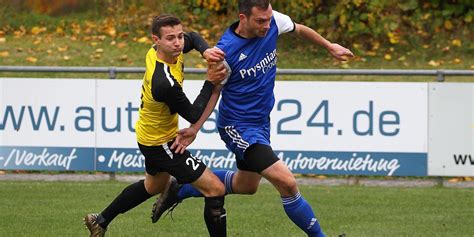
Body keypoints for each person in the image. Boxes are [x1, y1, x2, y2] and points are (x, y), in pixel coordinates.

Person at [152, 1, 354, 237]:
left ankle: (181, 189)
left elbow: (298, 28)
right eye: (260, 21)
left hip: (261, 123)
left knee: (246, 186)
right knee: (287, 183)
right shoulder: (225, 52)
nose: (267, 25)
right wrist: (194, 129)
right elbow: (214, 90)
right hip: (237, 127)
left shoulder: (273, 21)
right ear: (243, 18)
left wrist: (329, 46)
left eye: (268, 19)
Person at [84, 14, 229, 237]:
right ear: (156, 40)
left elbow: (193, 37)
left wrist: (205, 50)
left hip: (149, 135)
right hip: (160, 143)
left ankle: (100, 220)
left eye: (179, 36)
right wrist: (210, 81)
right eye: (171, 38)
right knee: (215, 189)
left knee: (153, 187)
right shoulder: (163, 81)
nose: (178, 42)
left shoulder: (167, 50)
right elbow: (193, 113)